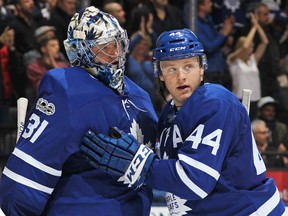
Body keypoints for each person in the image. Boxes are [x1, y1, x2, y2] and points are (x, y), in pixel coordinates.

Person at [81, 28, 285, 215]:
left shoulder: (216, 102)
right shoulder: (167, 116)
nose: (181, 77)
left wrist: (138, 165)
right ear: (159, 74)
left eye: (188, 66)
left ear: (202, 68)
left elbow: (195, 181)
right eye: (171, 69)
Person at [0, 6, 158, 215]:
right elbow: (28, 176)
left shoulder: (141, 96)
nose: (116, 53)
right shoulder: (68, 91)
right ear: (80, 51)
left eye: (118, 43)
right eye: (104, 47)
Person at [227, 12, 268, 120]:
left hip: (255, 98)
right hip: (239, 98)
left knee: (251, 125)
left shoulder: (253, 60)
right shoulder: (233, 59)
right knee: (239, 125)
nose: (251, 49)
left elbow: (265, 42)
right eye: (251, 47)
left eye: (252, 47)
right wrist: (253, 28)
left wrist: (257, 25)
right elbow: (245, 46)